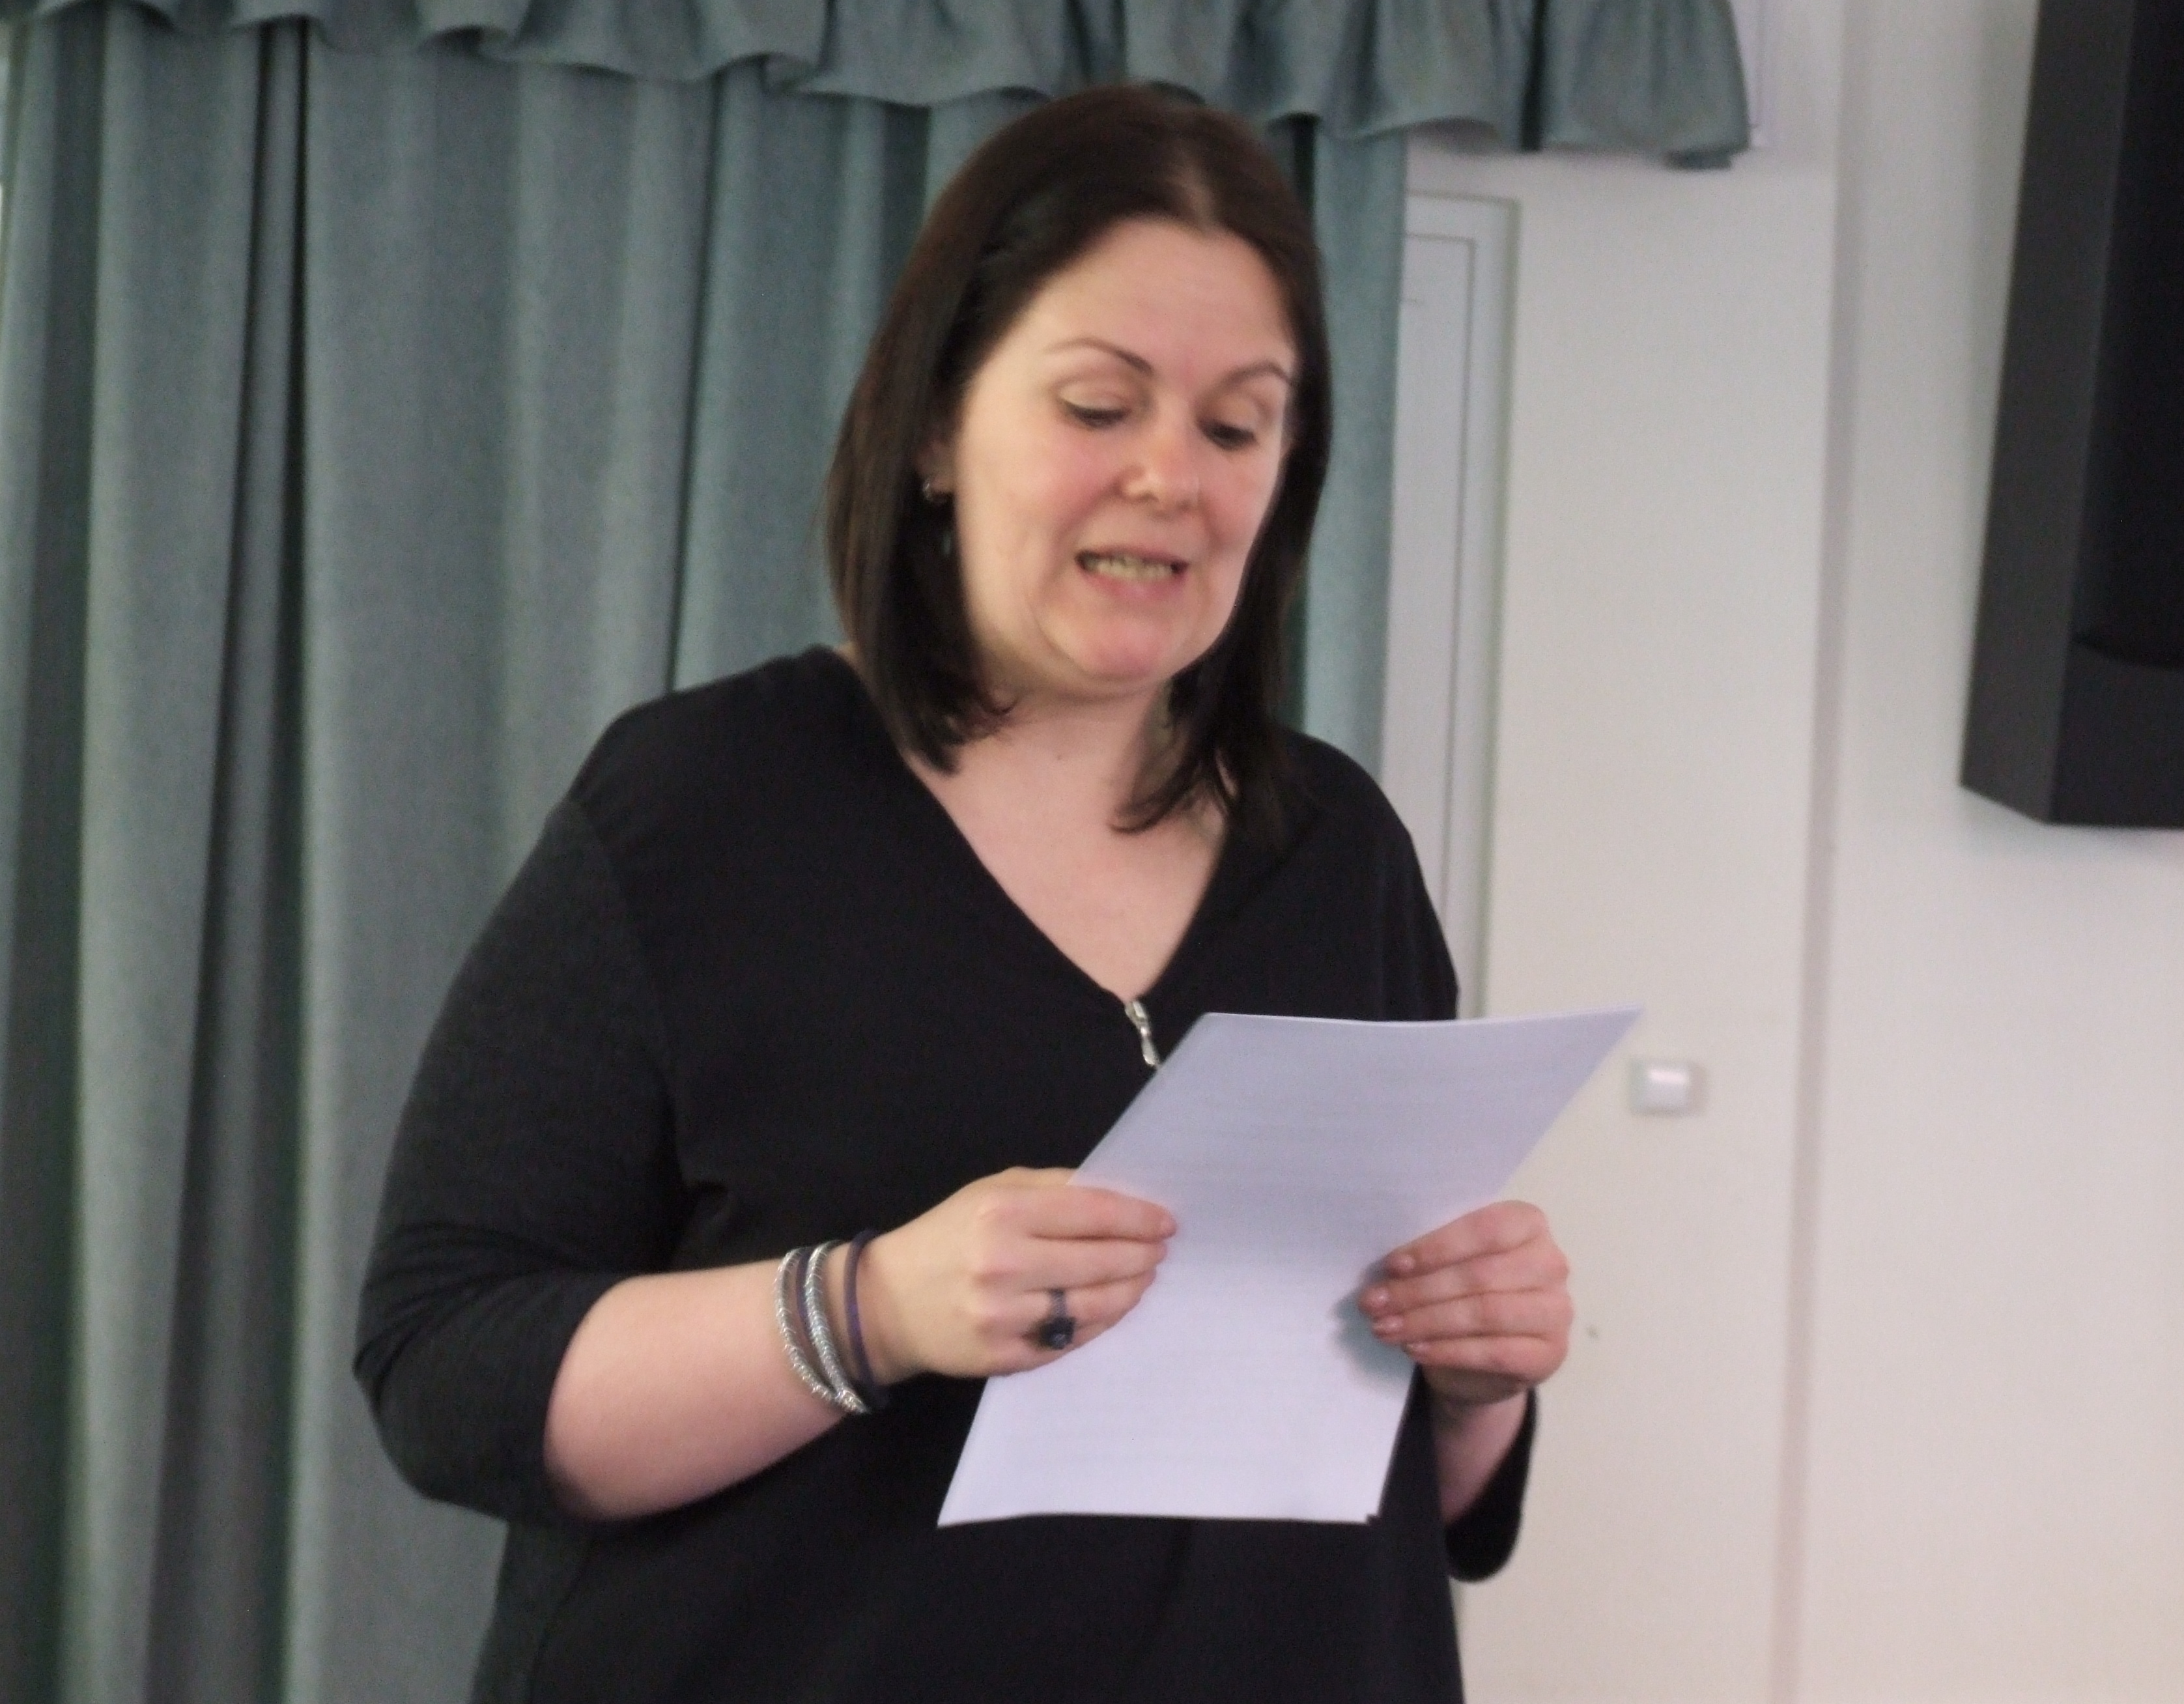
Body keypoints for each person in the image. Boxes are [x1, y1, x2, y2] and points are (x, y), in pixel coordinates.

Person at [356, 83, 1573, 1704]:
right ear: (936, 428)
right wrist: (865, 1309)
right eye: (1099, 406)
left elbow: (1409, 1493)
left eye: (1235, 427)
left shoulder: (1336, 848)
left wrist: (1481, 1379)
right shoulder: (701, 808)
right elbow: (445, 1372)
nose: (1170, 477)